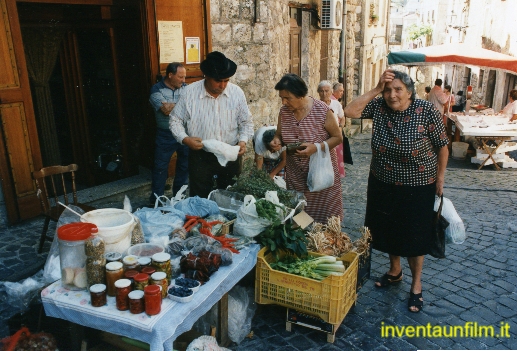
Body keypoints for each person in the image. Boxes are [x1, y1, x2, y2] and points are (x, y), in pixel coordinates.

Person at [343, 69, 449, 313]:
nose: (392, 95)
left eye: (398, 89)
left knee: (414, 236)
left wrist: (440, 179)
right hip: (383, 182)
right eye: (389, 90)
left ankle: (416, 285)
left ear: (410, 92)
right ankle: (395, 270)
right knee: (389, 229)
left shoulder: (426, 110)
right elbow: (350, 112)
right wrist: (377, 88)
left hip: (418, 185)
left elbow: (443, 147)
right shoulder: (379, 106)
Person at [170, 51, 253, 198]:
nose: (222, 85)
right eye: (218, 81)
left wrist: (243, 141)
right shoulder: (190, 93)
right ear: (206, 76)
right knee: (200, 196)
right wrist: (185, 139)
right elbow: (175, 120)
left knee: (230, 195)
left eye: (226, 80)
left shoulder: (236, 93)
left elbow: (246, 121)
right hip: (201, 155)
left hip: (230, 153)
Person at [271, 73, 343, 223]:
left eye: (287, 98)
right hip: (296, 175)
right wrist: (277, 141)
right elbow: (279, 134)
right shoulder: (284, 112)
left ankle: (322, 243)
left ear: (301, 95)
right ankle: (303, 242)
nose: (284, 102)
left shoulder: (322, 110)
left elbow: (338, 137)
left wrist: (316, 148)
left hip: (320, 174)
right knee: (300, 216)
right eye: (281, 98)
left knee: (324, 218)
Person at [148, 62, 189, 205]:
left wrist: (172, 105)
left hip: (184, 133)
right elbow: (165, 110)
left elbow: (193, 107)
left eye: (184, 77)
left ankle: (179, 198)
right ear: (170, 75)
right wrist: (184, 105)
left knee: (184, 166)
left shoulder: (186, 88)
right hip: (165, 134)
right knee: (160, 168)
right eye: (180, 77)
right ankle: (156, 201)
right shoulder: (156, 89)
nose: (184, 81)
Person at [317, 80, 345, 178]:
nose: (324, 93)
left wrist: (340, 128)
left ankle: (334, 178)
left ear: (331, 92)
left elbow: (342, 118)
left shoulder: (336, 104)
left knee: (335, 159)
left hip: (335, 136)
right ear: (318, 92)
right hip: (321, 137)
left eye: (327, 91)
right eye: (321, 91)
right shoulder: (315, 105)